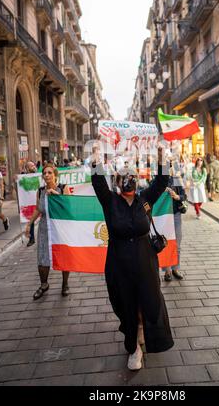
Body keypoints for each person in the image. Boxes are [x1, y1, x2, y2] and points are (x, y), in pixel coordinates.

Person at [91, 147, 174, 371]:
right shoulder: (110, 202)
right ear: (117, 182)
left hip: (145, 260)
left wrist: (160, 158)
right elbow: (98, 183)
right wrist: (97, 159)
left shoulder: (144, 200)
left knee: (149, 299)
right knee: (125, 303)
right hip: (119, 263)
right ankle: (133, 348)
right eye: (124, 178)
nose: (129, 181)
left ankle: (145, 331)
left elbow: (161, 181)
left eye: (132, 178)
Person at [25, 164, 71, 300]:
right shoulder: (40, 191)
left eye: (50, 172)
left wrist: (56, 195)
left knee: (63, 255)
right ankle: (44, 284)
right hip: (45, 227)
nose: (47, 175)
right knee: (42, 256)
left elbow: (68, 206)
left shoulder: (63, 188)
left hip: (60, 226)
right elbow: (38, 209)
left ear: (55, 175)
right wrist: (29, 224)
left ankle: (65, 284)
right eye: (44, 173)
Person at [162, 163, 187, 282]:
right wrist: (162, 191)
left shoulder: (177, 179)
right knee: (165, 243)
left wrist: (177, 196)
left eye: (169, 166)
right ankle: (167, 271)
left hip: (176, 214)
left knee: (177, 243)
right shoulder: (159, 181)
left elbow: (184, 196)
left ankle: (175, 268)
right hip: (164, 216)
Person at [23, 161, 37, 247]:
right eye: (32, 166)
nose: (34, 167)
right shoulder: (22, 177)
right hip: (29, 202)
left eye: (34, 165)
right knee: (30, 220)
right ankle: (31, 238)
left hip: (38, 199)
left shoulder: (40, 175)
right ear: (27, 168)